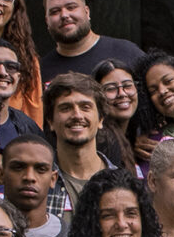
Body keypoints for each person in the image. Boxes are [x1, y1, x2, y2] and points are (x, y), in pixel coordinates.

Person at [0, 133, 72, 237]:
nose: (29, 177)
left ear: (53, 179)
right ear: (1, 175)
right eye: (18, 167)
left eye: (40, 169)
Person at [38, 0, 145, 85]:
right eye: (55, 12)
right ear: (47, 21)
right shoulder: (40, 71)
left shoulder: (126, 52)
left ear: (87, 12)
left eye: (71, 7)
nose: (64, 15)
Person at [45, 71, 122, 203]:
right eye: (66, 108)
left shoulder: (122, 184)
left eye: (85, 107)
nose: (77, 115)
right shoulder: (39, 182)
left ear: (101, 119)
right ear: (50, 121)